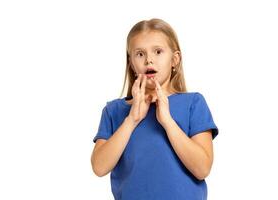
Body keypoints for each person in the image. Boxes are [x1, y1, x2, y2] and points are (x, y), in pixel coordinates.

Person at [91, 18, 219, 200]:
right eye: (140, 54)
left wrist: (168, 122)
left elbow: (202, 168)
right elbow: (99, 167)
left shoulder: (193, 103)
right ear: (131, 63)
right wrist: (131, 120)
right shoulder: (113, 111)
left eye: (158, 51)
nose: (149, 59)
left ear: (174, 59)